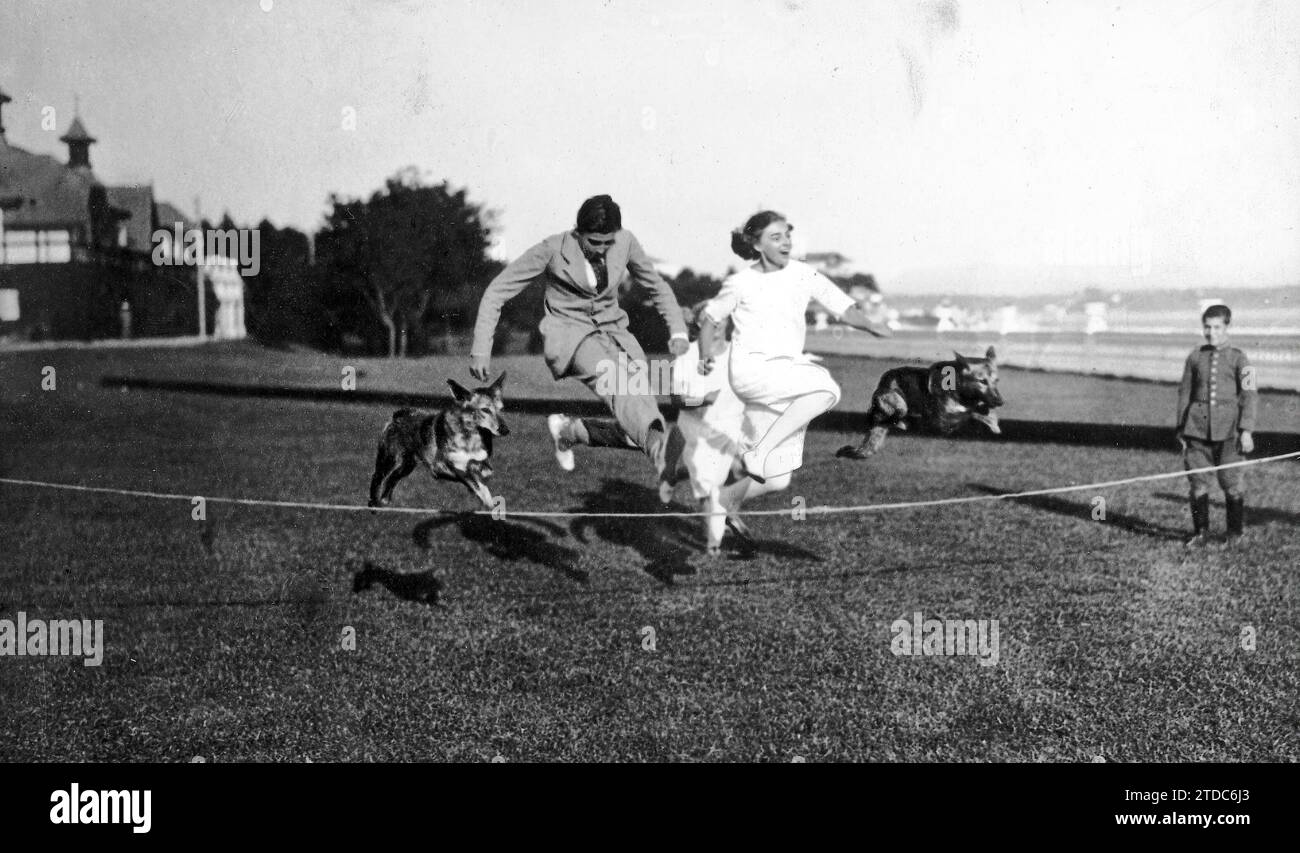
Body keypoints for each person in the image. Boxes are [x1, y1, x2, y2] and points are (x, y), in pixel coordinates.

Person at [469, 194, 689, 480]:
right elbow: (497, 290)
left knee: (636, 419)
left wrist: (679, 331)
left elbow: (657, 286)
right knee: (619, 386)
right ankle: (661, 454)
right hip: (571, 338)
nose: (601, 250)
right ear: (578, 231)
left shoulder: (626, 241)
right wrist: (480, 348)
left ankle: (570, 431)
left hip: (615, 335)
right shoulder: (552, 248)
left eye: (607, 243)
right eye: (593, 242)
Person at [698, 210, 892, 483]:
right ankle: (756, 452)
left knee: (778, 477)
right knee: (826, 390)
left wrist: (870, 325)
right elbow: (710, 319)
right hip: (752, 371)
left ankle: (723, 497)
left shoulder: (803, 273)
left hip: (785, 372)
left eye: (788, 236)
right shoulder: (739, 283)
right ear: (756, 245)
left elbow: (843, 308)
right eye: (776, 237)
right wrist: (704, 356)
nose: (786, 242)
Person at [1175, 303, 1257, 546]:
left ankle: (1234, 535)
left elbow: (1250, 394)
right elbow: (1184, 393)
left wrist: (1247, 430)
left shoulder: (1240, 358)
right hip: (1196, 431)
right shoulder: (1194, 357)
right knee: (1198, 484)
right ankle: (1201, 533)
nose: (1212, 332)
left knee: (1232, 485)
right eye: (1207, 327)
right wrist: (1180, 428)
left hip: (1229, 432)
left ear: (1227, 326)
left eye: (1217, 327)